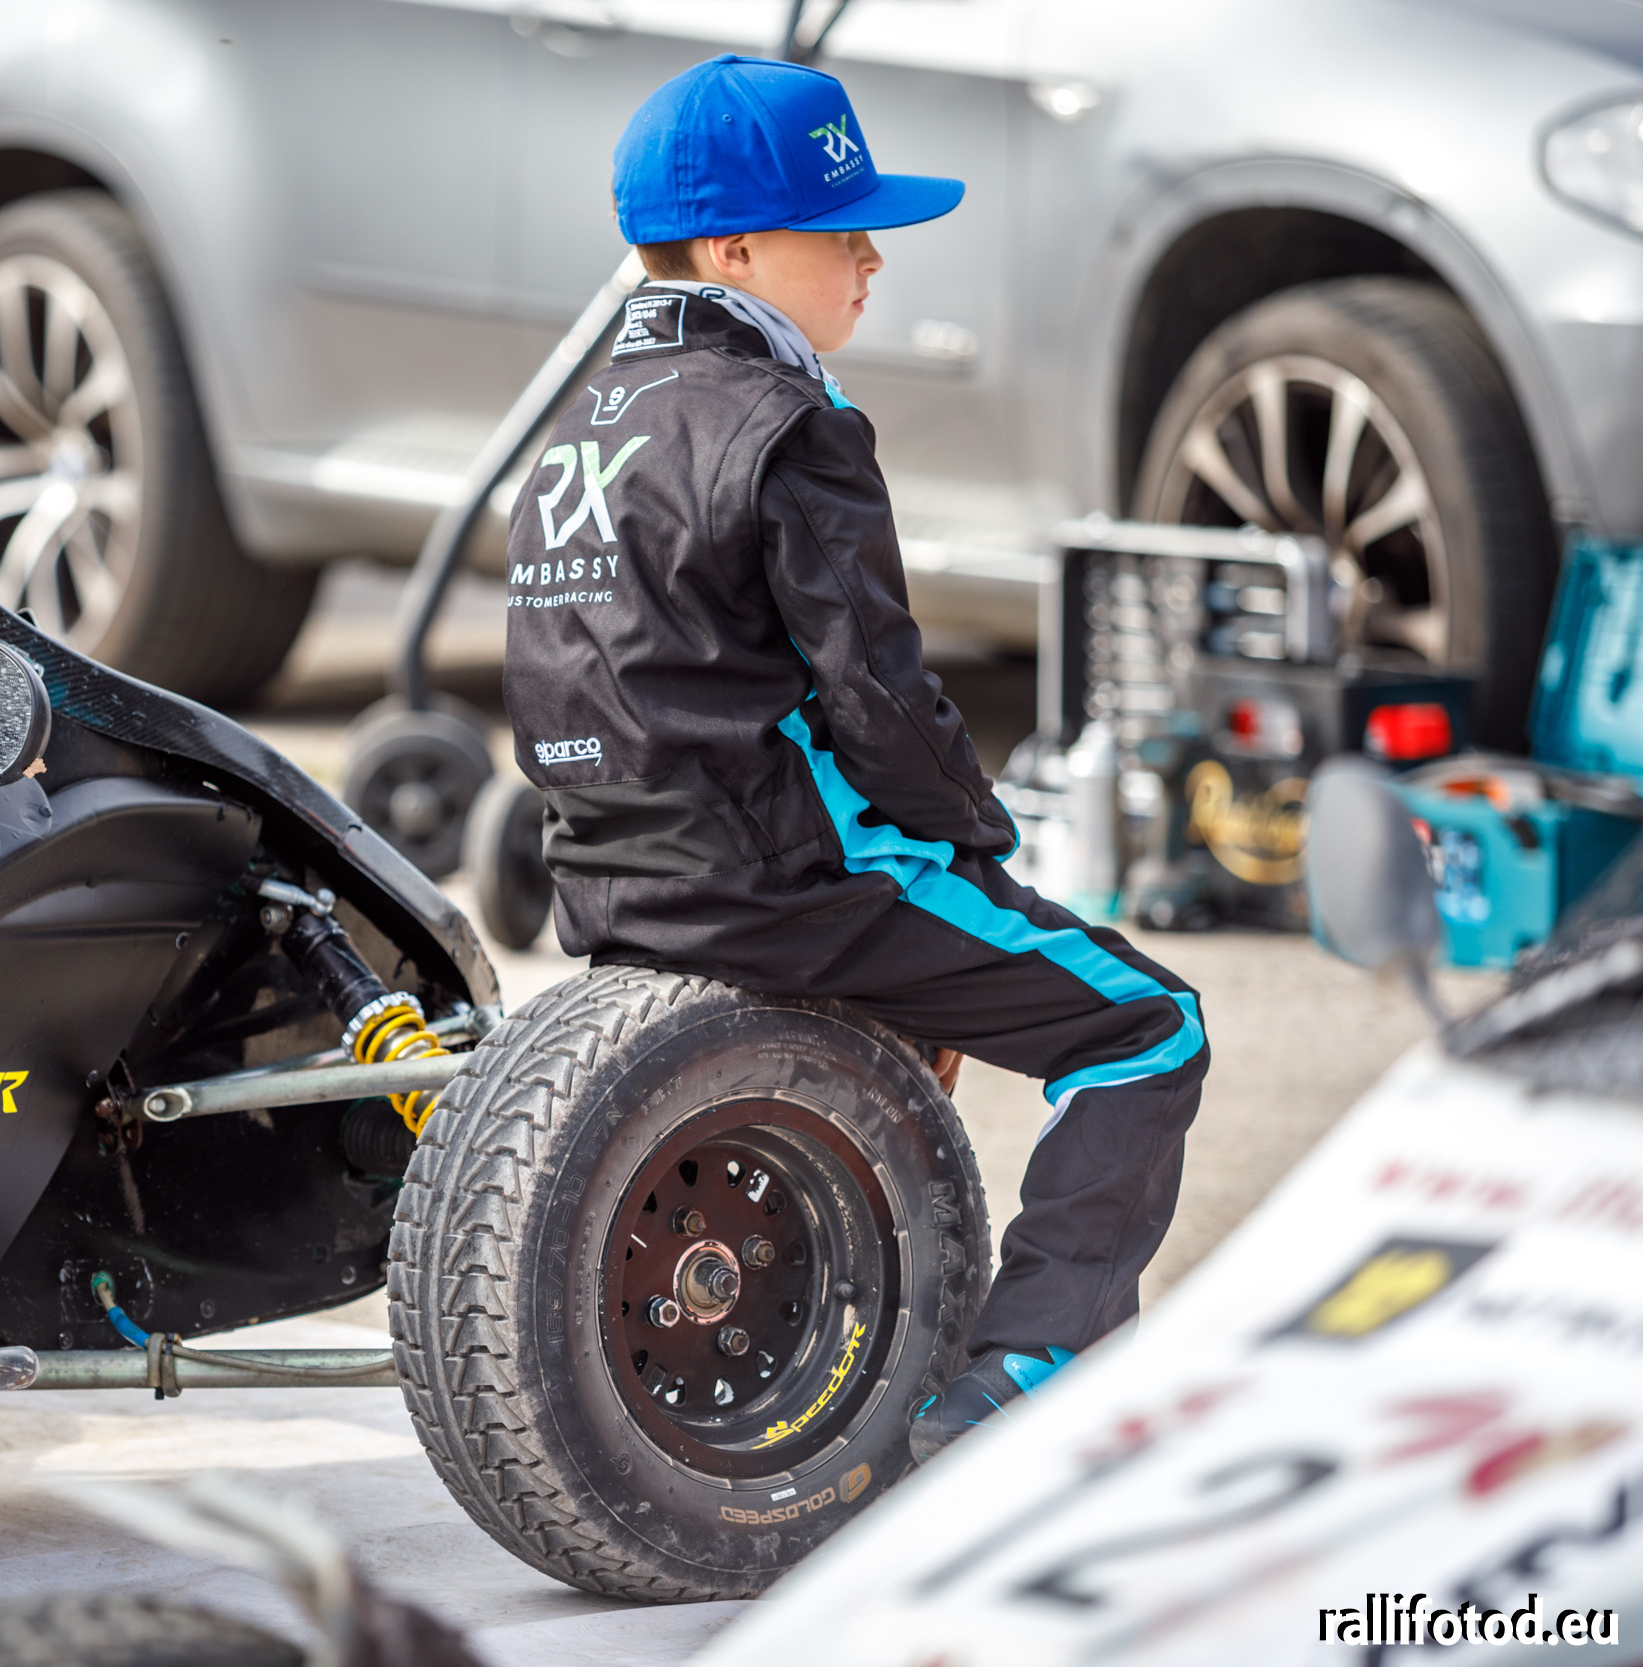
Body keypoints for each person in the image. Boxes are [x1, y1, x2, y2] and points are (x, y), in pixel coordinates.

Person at [500, 53, 1208, 1460]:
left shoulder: (574, 430)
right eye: (842, 231)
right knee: (1146, 1026)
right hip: (787, 886)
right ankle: (1031, 1373)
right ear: (735, 251)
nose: (873, 258)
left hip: (612, 883)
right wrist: (984, 844)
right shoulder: (788, 423)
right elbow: (878, 694)